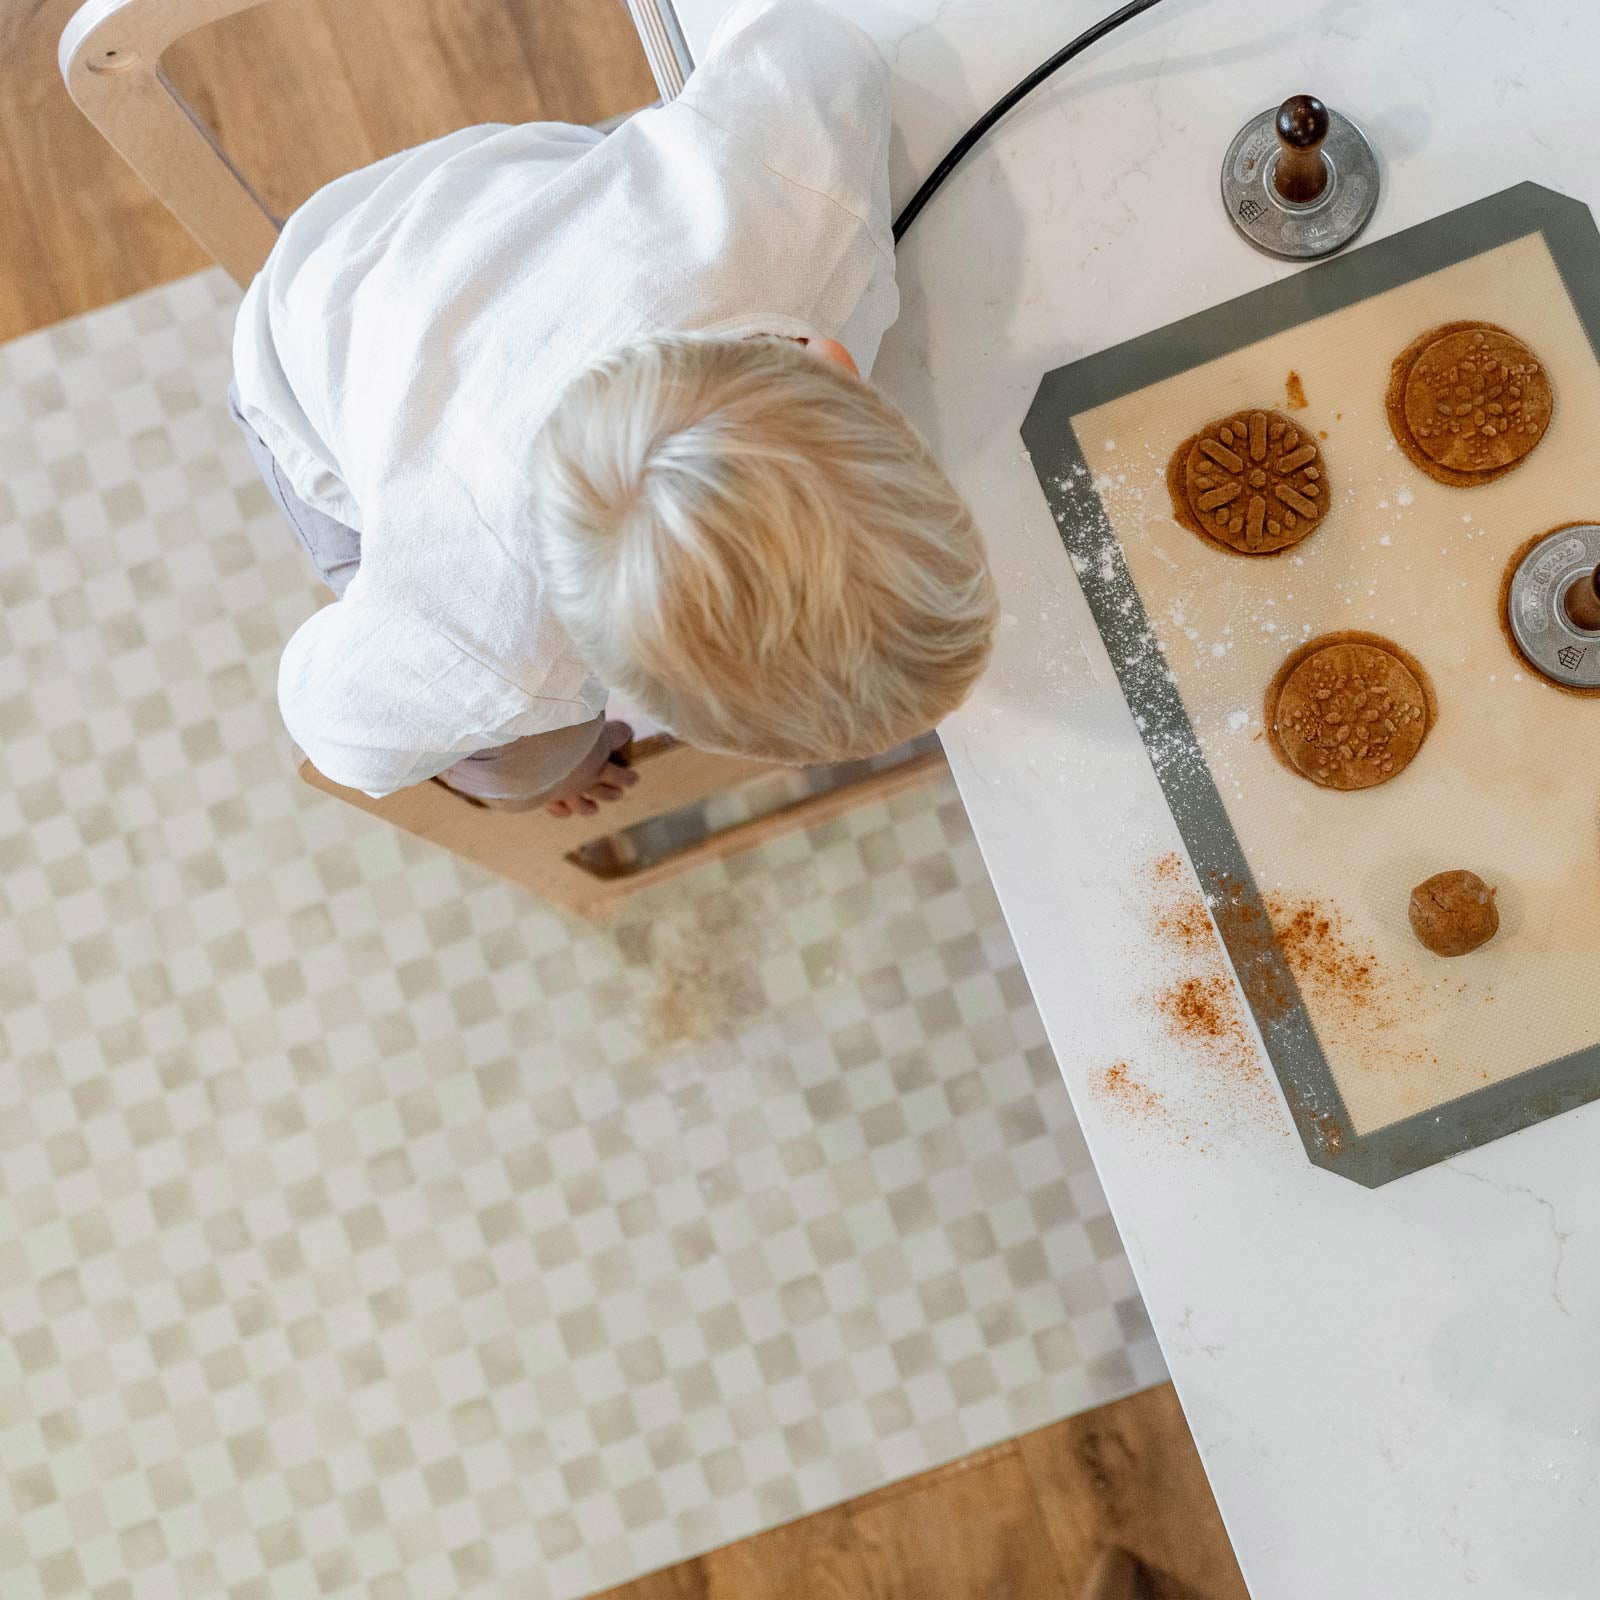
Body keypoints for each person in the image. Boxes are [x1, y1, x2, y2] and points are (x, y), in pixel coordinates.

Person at [230, 0, 998, 819]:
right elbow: (332, 730)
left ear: (838, 366)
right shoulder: (484, 642)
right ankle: (538, 765)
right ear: (595, 670)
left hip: (455, 219)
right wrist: (397, 610)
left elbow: (812, 39)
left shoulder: (794, 190)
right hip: (303, 354)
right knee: (531, 766)